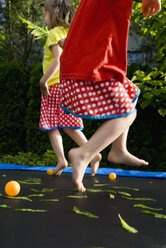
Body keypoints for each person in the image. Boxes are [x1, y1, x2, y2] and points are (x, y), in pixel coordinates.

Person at [59, 0, 161, 191]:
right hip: (93, 66)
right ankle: (84, 153)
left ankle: (118, 149)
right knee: (128, 114)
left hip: (88, 62)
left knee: (132, 94)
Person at [39, 0, 102, 177]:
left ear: (53, 15)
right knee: (69, 125)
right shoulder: (71, 34)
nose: (44, 18)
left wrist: (44, 80)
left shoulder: (53, 34)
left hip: (53, 86)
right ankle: (93, 153)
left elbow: (57, 60)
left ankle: (61, 159)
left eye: (45, 14)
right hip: (68, 85)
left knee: (51, 125)